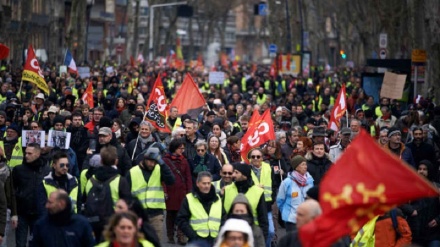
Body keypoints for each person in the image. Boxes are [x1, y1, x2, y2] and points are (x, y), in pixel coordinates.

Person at [126, 145, 175, 243]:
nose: (152, 164)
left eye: (154, 162)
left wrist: (163, 164)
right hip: (137, 214)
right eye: (149, 161)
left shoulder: (159, 169)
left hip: (156, 214)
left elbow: (171, 181)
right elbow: (125, 193)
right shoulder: (132, 172)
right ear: (144, 159)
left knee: (156, 242)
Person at [83, 145, 131, 242]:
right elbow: (128, 205)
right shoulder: (120, 181)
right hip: (114, 224)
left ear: (101, 161)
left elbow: (84, 201)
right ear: (116, 161)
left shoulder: (91, 181)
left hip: (94, 223)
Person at [13, 143, 50, 247]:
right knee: (20, 243)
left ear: (38, 154)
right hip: (22, 213)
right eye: (26, 153)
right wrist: (14, 212)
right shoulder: (19, 170)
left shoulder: (47, 171)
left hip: (39, 213)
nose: (26, 155)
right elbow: (13, 191)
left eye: (30, 153)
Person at [176, 171, 225, 245]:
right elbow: (181, 220)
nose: (207, 186)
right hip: (196, 241)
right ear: (197, 183)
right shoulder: (189, 198)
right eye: (204, 183)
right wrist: (193, 236)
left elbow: (223, 218)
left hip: (214, 241)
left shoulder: (217, 199)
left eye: (209, 183)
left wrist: (220, 235)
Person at [223, 163, 269, 241]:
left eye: (236, 172)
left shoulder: (258, 192)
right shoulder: (227, 190)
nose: (233, 175)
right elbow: (222, 215)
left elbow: (263, 218)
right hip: (231, 234)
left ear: (244, 175)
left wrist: (262, 239)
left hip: (251, 235)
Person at [162, 139, 193, 245]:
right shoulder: (165, 160)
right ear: (174, 148)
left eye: (183, 148)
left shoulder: (184, 160)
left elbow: (188, 177)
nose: (182, 150)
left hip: (182, 192)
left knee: (181, 214)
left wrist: (189, 191)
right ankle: (170, 235)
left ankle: (181, 235)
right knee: (170, 215)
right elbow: (162, 178)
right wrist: (164, 191)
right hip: (170, 191)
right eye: (180, 148)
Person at [277, 156, 314, 232]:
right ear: (296, 167)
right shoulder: (287, 182)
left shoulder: (310, 181)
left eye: (305, 164)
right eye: (302, 164)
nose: (305, 167)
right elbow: (280, 200)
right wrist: (286, 213)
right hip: (292, 221)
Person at [248, 148, 275, 247]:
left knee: (271, 232)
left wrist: (272, 198)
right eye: (253, 157)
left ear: (262, 158)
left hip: (267, 206)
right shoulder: (247, 170)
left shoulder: (269, 168)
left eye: (258, 156)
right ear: (250, 159)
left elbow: (274, 184)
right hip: (253, 206)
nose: (255, 158)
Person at [38, 151, 79, 215]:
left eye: (67, 165)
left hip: (72, 220)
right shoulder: (45, 183)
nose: (65, 167)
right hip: (52, 221)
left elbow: (78, 203)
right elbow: (42, 207)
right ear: (54, 165)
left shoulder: (74, 181)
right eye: (62, 165)